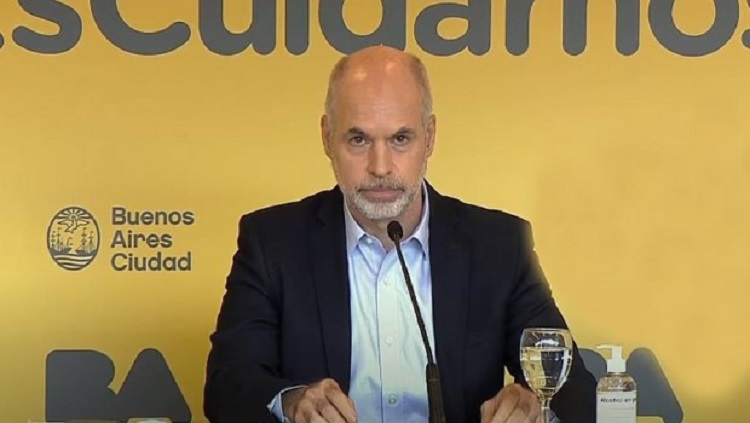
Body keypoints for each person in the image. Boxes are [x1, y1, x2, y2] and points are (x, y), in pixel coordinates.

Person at [203, 46, 596, 423]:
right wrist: (291, 402)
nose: (380, 166)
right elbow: (226, 387)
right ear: (327, 137)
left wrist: (535, 404)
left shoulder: (500, 246)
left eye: (400, 139)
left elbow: (575, 390)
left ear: (430, 136)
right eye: (358, 139)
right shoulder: (272, 243)